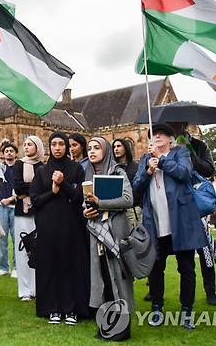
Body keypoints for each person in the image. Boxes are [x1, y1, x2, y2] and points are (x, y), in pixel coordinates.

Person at [132, 124, 207, 330]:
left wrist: (163, 160)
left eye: (161, 134)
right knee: (156, 268)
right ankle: (157, 308)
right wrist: (148, 170)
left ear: (170, 139)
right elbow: (136, 186)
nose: (156, 137)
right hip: (155, 222)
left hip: (180, 221)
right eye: (153, 135)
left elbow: (185, 173)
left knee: (186, 268)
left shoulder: (180, 153)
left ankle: (187, 311)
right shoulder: (146, 159)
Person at [31, 132, 90, 325]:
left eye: (61, 144)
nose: (57, 148)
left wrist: (63, 183)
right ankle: (52, 308)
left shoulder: (76, 169)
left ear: (67, 147)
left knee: (69, 266)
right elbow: (35, 200)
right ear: (49, 147)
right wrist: (53, 191)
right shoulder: (41, 171)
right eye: (54, 144)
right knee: (50, 266)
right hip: (48, 226)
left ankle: (71, 309)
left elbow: (79, 197)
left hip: (71, 225)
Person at [83, 137, 134, 341]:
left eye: (97, 148)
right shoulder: (88, 174)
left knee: (118, 280)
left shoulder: (117, 171)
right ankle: (107, 325)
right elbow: (85, 203)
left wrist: (101, 203)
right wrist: (87, 211)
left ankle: (122, 329)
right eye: (89, 148)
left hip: (115, 234)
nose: (92, 151)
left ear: (106, 150)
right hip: (96, 236)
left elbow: (128, 199)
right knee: (103, 279)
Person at [166, 121, 216, 306]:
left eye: (178, 125)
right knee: (162, 249)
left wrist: (189, 153)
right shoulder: (164, 148)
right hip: (174, 205)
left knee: (204, 250)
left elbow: (209, 169)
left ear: (185, 126)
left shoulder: (199, 145)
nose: (175, 128)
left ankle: (210, 290)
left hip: (195, 203)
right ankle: (153, 291)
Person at [12, 136, 44, 301]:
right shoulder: (19, 164)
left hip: (39, 212)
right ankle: (24, 290)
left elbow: (44, 187)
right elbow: (17, 187)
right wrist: (35, 187)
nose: (26, 147)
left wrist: (30, 188)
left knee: (38, 250)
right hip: (22, 212)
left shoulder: (42, 165)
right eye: (24, 144)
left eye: (30, 144)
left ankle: (37, 288)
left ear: (37, 147)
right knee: (23, 250)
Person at [0, 139, 18, 277]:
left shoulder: (20, 167)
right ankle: (4, 267)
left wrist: (11, 199)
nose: (8, 153)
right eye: (6, 151)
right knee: (2, 238)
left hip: (15, 206)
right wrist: (1, 144)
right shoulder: (0, 167)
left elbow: (21, 187)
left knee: (15, 238)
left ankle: (16, 268)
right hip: (1, 206)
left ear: (15, 154)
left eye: (11, 151)